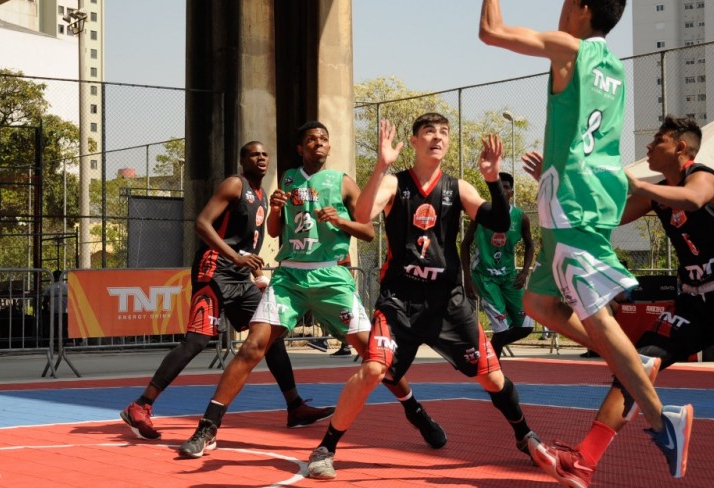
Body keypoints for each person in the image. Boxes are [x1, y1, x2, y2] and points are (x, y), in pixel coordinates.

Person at [476, 0, 692, 482]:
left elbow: (491, 32)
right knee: (539, 305)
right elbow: (568, 29)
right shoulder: (611, 65)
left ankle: (659, 409)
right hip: (589, 193)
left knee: (596, 316)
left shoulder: (569, 51)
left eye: (573, 1)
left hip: (572, 202)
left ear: (583, 9)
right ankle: (624, 356)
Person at [178, 122, 444, 459]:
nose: (318, 143)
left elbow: (367, 231)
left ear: (329, 148)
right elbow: (275, 231)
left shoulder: (342, 182)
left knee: (374, 355)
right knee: (253, 346)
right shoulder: (288, 179)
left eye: (323, 139)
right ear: (301, 149)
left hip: (331, 277)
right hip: (291, 277)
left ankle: (415, 411)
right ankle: (208, 427)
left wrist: (340, 221)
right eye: (310, 140)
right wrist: (275, 210)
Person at [523, 116, 714, 487]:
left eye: (657, 141)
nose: (647, 148)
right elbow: (603, 216)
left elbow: (693, 199)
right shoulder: (655, 194)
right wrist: (555, 186)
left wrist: (638, 184)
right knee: (636, 366)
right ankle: (584, 461)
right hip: (693, 302)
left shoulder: (703, 177)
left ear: (681, 148)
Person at [304, 116, 539, 480]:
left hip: (448, 303)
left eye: (444, 133)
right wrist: (381, 165)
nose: (438, 137)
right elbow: (362, 215)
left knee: (493, 380)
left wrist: (492, 180)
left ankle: (524, 434)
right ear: (413, 141)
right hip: (400, 301)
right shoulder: (395, 184)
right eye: (429, 132)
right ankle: (326, 447)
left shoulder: (458, 187)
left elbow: (500, 223)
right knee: (373, 369)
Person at [121, 141, 333, 440]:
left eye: (264, 154)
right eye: (253, 154)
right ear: (242, 160)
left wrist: (256, 272)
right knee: (196, 341)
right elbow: (202, 224)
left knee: (270, 336)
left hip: (239, 276)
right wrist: (236, 257)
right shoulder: (235, 185)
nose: (261, 158)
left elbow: (250, 242)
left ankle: (295, 406)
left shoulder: (262, 197)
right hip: (214, 270)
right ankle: (140, 405)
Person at [460, 171, 536, 358]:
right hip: (484, 276)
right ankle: (494, 368)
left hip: (509, 276)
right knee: (501, 329)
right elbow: (465, 243)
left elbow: (530, 244)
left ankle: (487, 352)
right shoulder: (481, 213)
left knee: (526, 326)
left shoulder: (520, 217)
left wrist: (525, 271)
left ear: (511, 192)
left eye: (507, 187)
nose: (503, 190)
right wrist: (467, 280)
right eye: (499, 187)